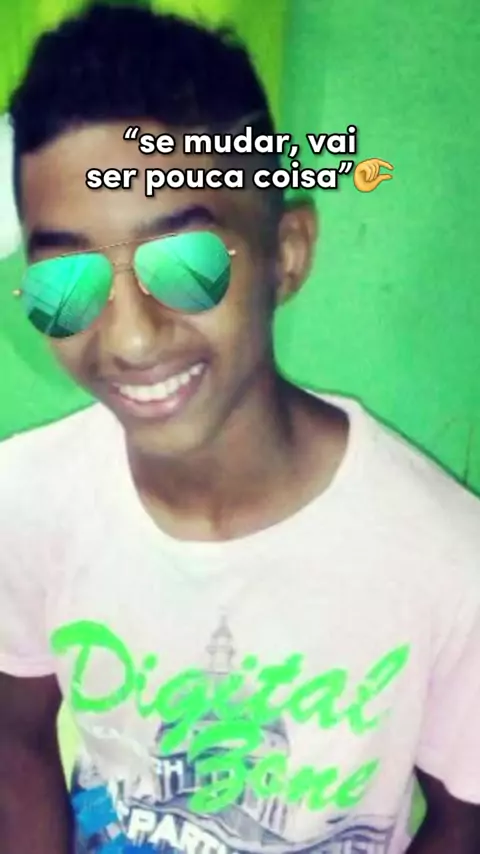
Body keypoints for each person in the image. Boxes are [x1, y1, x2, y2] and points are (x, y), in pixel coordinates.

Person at [0, 3, 479, 853]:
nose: (130, 338)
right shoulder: (24, 500)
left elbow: (464, 819)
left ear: (286, 253)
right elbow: (15, 743)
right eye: (66, 281)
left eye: (188, 265)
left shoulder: (447, 561)